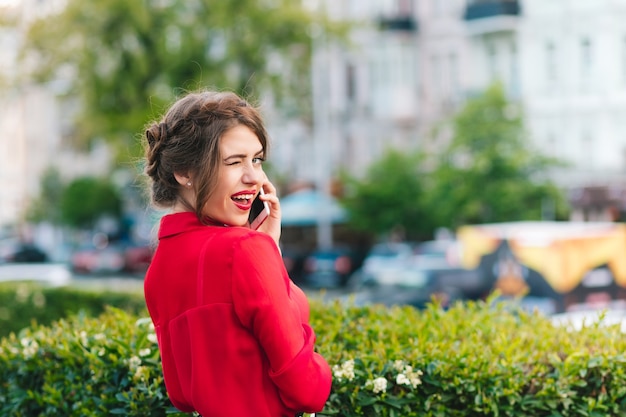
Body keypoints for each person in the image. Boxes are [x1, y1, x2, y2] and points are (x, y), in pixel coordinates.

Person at [141, 90, 332, 417]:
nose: (254, 177)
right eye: (234, 162)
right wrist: (265, 255)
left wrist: (267, 252)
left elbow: (183, 394)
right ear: (184, 172)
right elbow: (308, 390)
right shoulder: (244, 252)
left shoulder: (160, 266)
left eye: (256, 160)